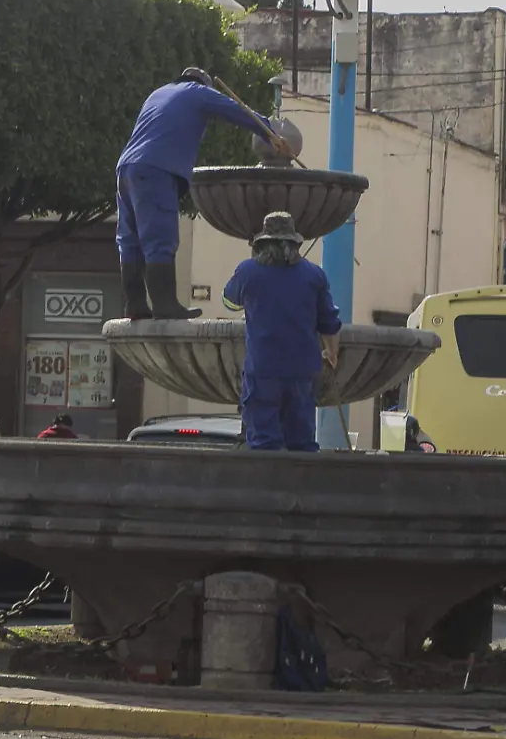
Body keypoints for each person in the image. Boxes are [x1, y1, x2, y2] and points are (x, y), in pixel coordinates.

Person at [116, 68, 293, 320]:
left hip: (126, 169)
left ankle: (134, 305)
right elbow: (234, 109)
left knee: (130, 240)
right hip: (156, 169)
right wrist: (268, 131)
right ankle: (165, 305)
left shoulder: (158, 93)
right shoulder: (197, 92)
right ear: (203, 84)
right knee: (160, 238)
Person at [223, 212, 342, 452]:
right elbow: (329, 323)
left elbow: (230, 302)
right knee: (302, 441)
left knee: (263, 442)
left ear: (262, 244)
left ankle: (267, 485)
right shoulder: (314, 275)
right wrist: (332, 353)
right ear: (295, 244)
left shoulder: (248, 271)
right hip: (302, 371)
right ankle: (300, 486)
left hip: (263, 370)